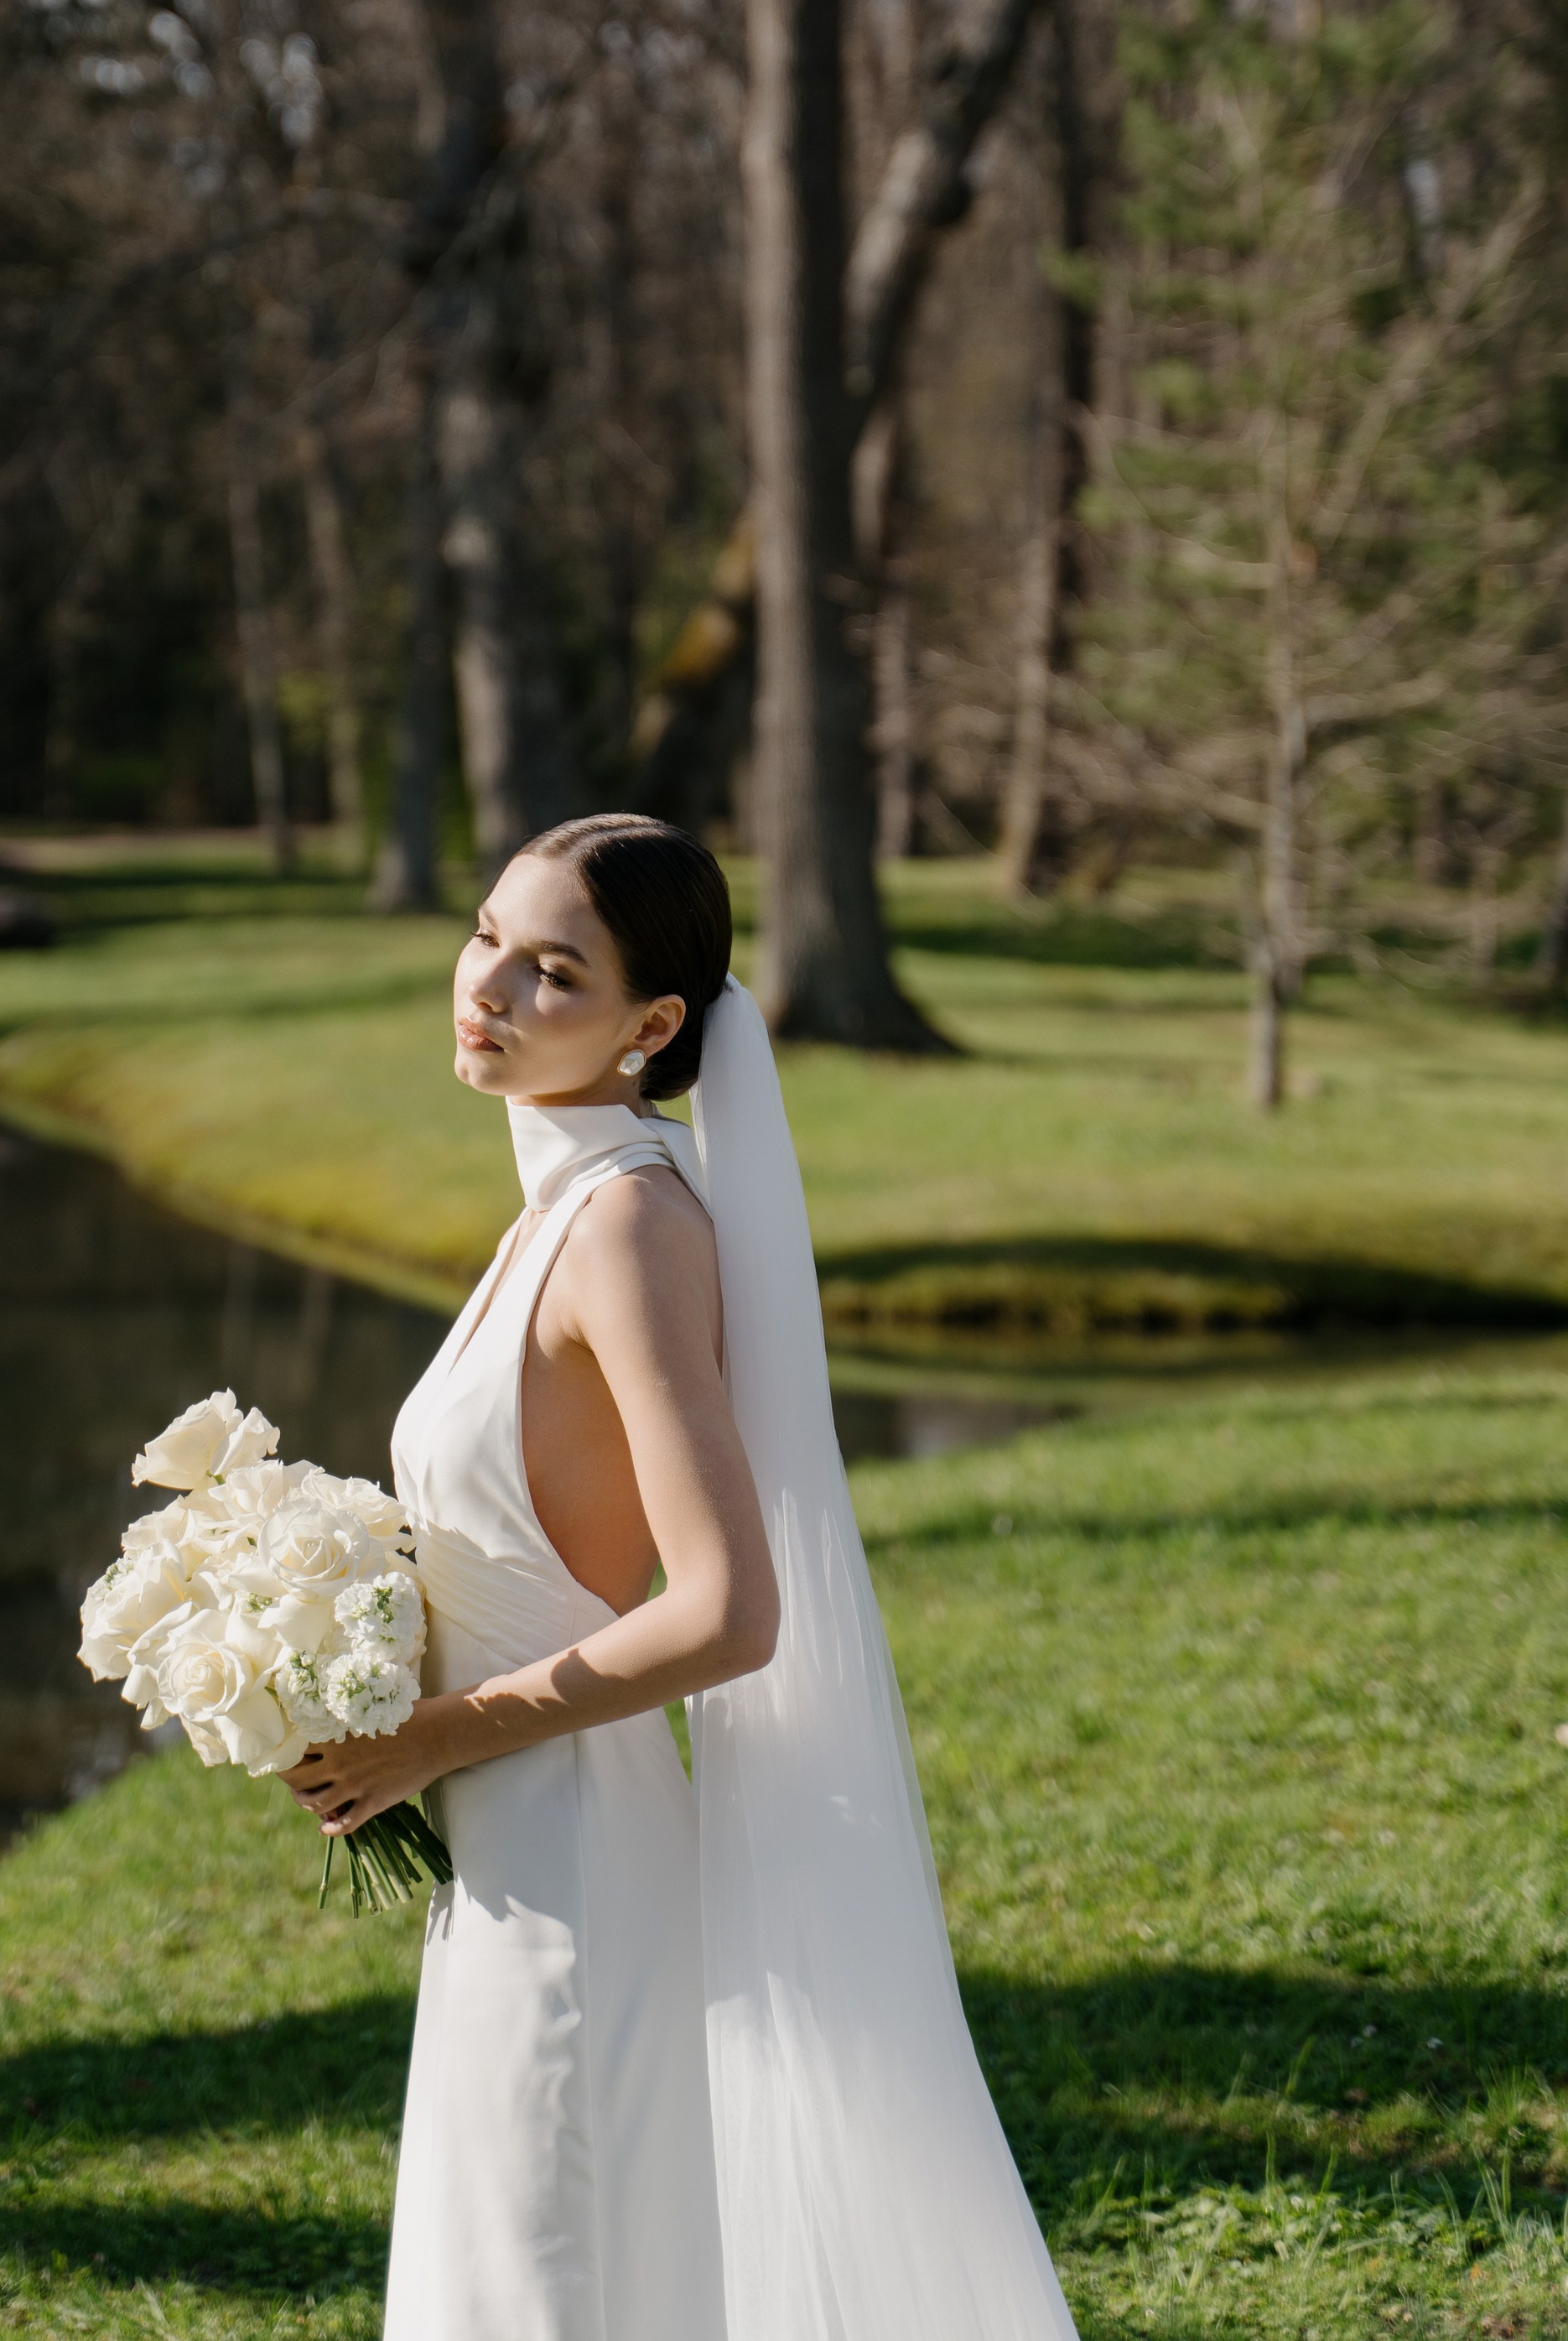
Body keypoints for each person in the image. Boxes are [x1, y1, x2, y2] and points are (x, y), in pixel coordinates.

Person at [285, 814, 1079, 2341]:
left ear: (652, 1027)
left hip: (575, 1852)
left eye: (552, 971)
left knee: (555, 2281)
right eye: (485, 938)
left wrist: (434, 1737)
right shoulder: (555, 1211)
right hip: (515, 1848)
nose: (491, 989)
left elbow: (729, 1609)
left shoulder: (630, 1225)